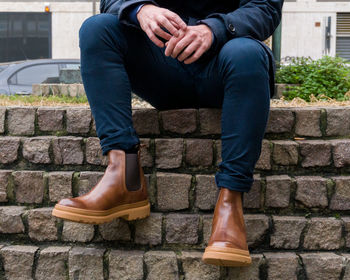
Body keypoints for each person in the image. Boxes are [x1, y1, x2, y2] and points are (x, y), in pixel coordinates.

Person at [52, 0, 284, 267]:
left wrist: (213, 29)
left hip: (229, 67)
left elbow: (265, 8)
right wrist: (141, 9)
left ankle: (230, 205)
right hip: (163, 65)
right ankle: (124, 177)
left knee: (247, 53)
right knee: (97, 29)